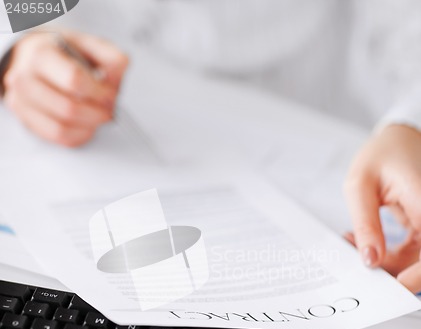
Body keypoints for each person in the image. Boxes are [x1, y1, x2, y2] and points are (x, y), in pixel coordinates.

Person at [1, 0, 421, 292]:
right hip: (97, 140)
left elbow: (406, 25)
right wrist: (17, 49)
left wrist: (411, 123)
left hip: (303, 136)